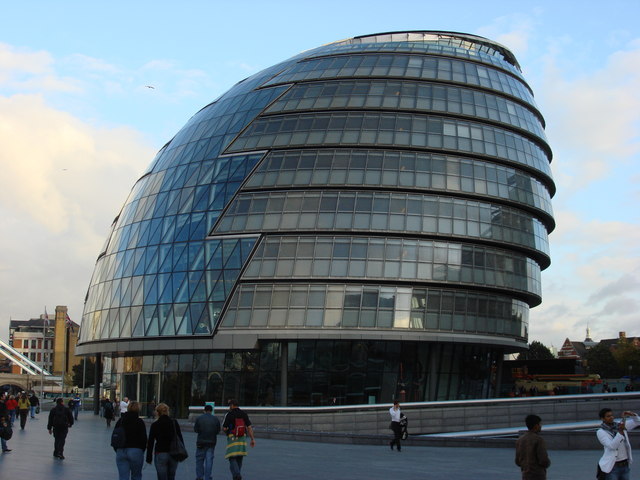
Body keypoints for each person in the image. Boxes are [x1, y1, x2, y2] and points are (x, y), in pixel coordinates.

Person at [597, 408, 640, 479]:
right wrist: (620, 431)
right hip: (612, 467)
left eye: (612, 415)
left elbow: (638, 422)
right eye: (608, 416)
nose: (611, 417)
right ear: (602, 419)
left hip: (625, 465)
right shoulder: (601, 432)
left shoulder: (619, 425)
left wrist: (633, 415)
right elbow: (612, 446)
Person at [146, 402, 184, 480]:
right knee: (171, 476)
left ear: (157, 412)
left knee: (161, 477)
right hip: (173, 452)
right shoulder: (174, 422)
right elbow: (179, 437)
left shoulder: (155, 424)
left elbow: (151, 442)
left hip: (160, 452)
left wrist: (149, 457)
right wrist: (182, 452)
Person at [222, 399, 255, 480]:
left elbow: (224, 428)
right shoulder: (244, 414)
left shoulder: (229, 414)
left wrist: (227, 432)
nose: (229, 407)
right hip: (242, 438)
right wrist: (252, 439)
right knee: (239, 456)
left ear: (232, 405)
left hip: (232, 438)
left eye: (230, 405)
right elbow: (249, 427)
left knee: (232, 457)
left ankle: (237, 475)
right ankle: (236, 476)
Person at [114, 401, 147, 480]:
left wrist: (117, 449)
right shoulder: (139, 422)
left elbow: (115, 436)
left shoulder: (121, 421)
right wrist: (141, 450)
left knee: (123, 477)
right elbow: (144, 438)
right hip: (136, 450)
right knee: (136, 476)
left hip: (121, 450)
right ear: (138, 410)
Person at [515, 414, 551, 480]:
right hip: (538, 475)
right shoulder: (538, 440)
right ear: (536, 426)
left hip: (525, 475)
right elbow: (543, 460)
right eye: (540, 424)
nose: (541, 426)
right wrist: (548, 463)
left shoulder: (520, 440)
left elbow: (517, 461)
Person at [194, 404, 221, 480]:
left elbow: (196, 430)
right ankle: (208, 477)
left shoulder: (199, 418)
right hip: (211, 442)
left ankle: (199, 476)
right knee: (209, 461)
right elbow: (217, 430)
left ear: (204, 410)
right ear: (211, 411)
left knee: (199, 460)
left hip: (200, 442)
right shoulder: (215, 419)